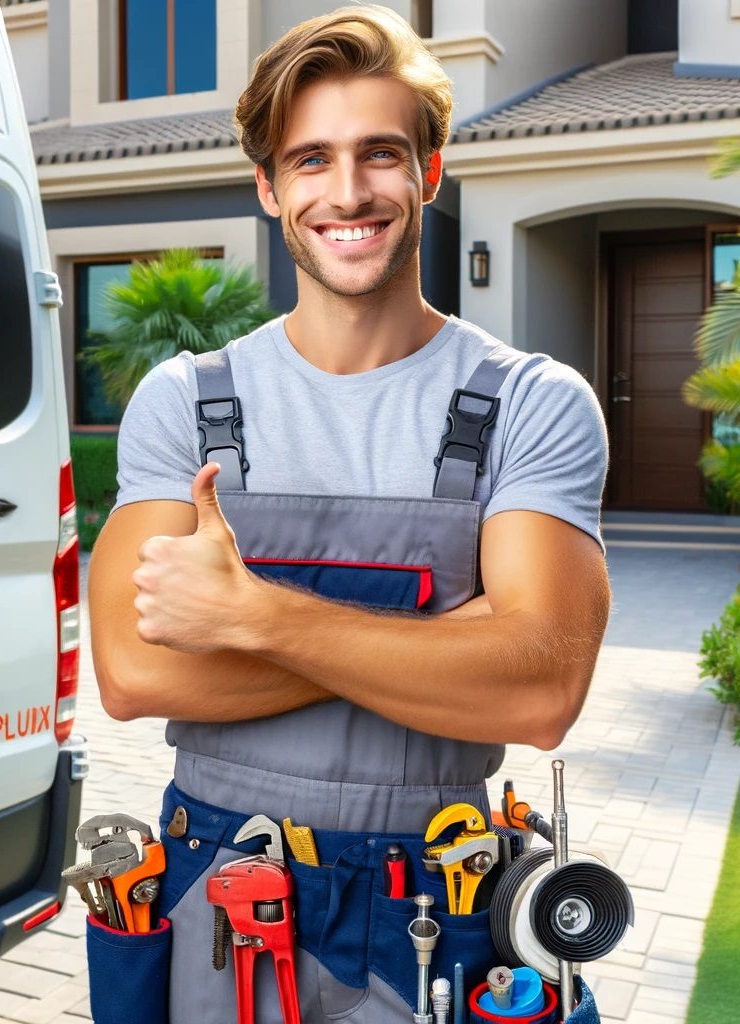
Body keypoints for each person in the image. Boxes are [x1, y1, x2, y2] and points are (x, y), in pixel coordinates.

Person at [88, 6, 610, 1022]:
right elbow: (133, 673)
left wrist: (254, 617)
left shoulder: (532, 402)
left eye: (379, 153)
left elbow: (540, 690)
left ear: (429, 171)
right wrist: (451, 642)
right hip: (217, 890)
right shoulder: (184, 402)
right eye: (310, 159)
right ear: (269, 187)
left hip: (443, 894)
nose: (347, 191)